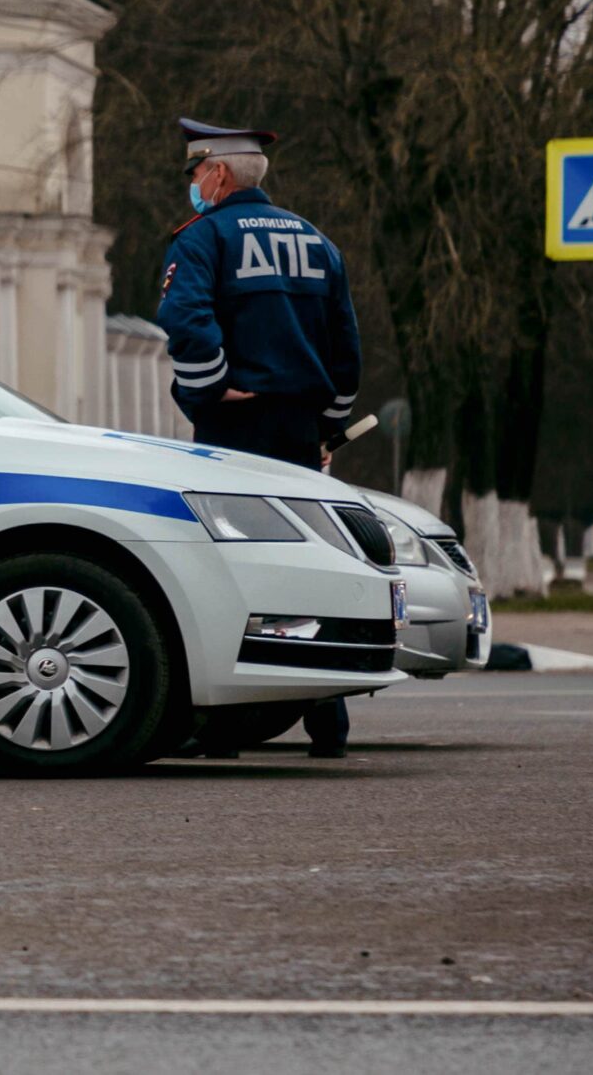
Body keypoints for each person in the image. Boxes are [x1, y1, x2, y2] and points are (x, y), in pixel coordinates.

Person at [156, 118, 364, 759]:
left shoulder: (203, 237)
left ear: (217, 173)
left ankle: (225, 729)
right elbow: (346, 349)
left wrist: (212, 385)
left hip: (233, 430)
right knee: (308, 561)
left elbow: (184, 318)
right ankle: (327, 721)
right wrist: (328, 426)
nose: (192, 184)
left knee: (231, 566)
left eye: (195, 173)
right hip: (301, 429)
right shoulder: (316, 242)